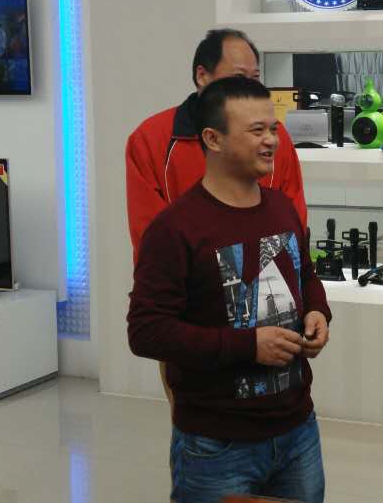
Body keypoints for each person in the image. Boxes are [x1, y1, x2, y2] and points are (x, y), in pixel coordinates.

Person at [129, 76, 331, 503]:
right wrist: (247, 346)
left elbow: (306, 276)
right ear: (213, 139)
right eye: (256, 130)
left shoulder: (281, 208)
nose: (271, 141)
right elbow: (147, 332)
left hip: (297, 430)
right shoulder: (175, 229)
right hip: (216, 445)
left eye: (273, 129)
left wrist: (317, 310)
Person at [126, 28, 308, 261]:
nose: (248, 88)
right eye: (238, 78)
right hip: (189, 277)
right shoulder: (151, 138)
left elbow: (293, 223)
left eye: (254, 78)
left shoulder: (275, 136)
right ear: (202, 76)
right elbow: (152, 240)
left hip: (265, 277)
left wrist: (256, 273)